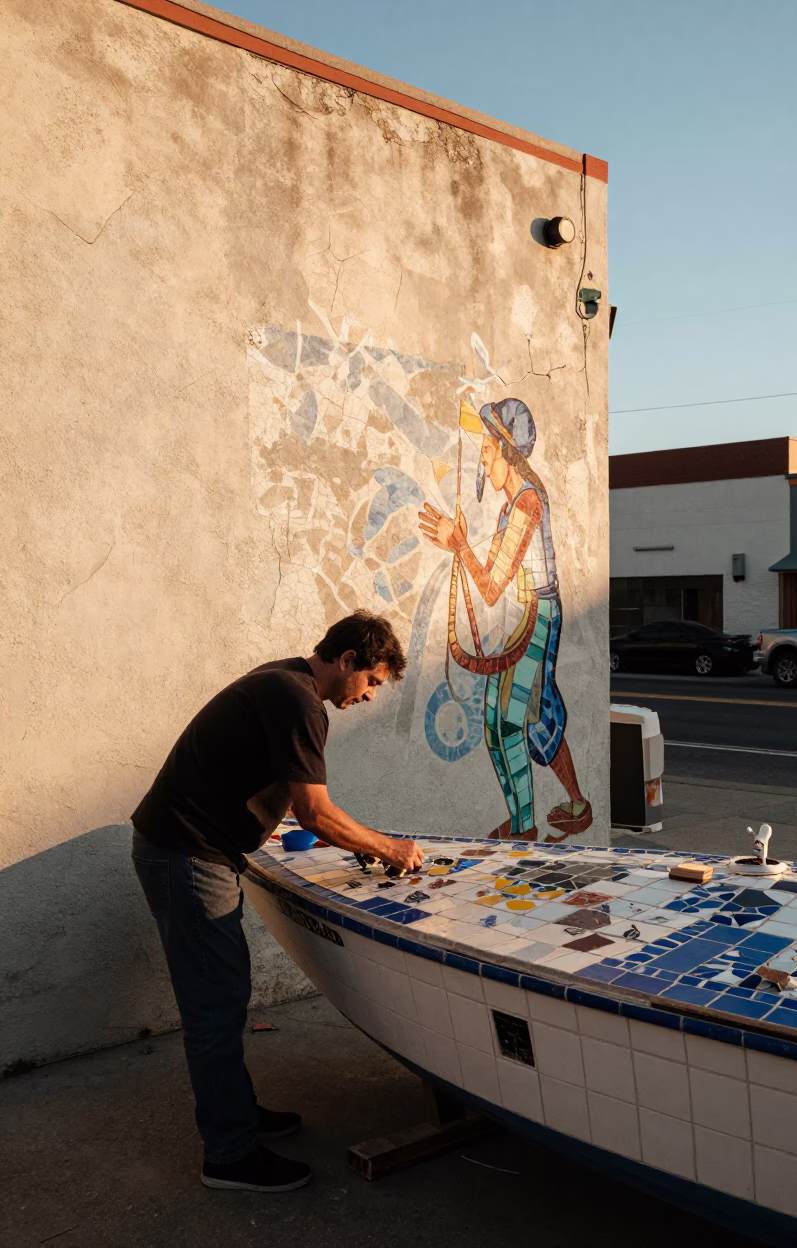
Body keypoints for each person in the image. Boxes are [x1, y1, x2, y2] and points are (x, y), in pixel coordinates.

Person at [131, 611, 422, 1193]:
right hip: (188, 856)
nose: (368, 696)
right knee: (215, 1006)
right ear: (347, 661)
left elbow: (287, 797)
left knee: (226, 995)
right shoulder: (300, 701)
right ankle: (230, 1155)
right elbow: (315, 809)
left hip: (186, 849)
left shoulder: (285, 679)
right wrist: (387, 847)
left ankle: (236, 1112)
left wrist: (347, 837)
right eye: (372, 682)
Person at [418, 397, 592, 841]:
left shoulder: (526, 504)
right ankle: (540, 815)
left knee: (511, 720)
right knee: (514, 719)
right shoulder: (511, 505)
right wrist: (459, 546)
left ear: (506, 448)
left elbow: (493, 585)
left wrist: (459, 545)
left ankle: (524, 825)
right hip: (522, 616)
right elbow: (491, 582)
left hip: (536, 615)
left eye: (489, 448)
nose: (483, 457)